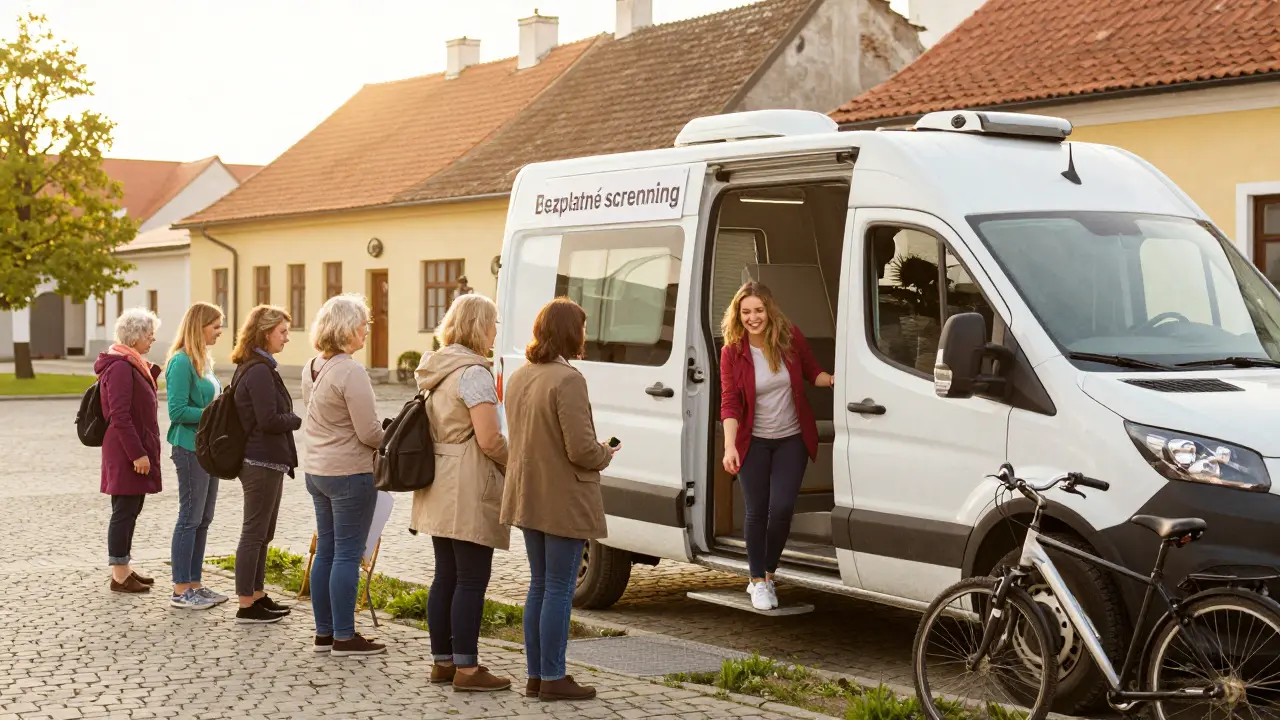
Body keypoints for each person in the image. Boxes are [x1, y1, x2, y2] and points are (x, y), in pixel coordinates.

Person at [502, 298, 619, 702]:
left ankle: (536, 675)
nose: (585, 335)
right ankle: (552, 677)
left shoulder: (520, 375)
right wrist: (606, 452)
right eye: (582, 328)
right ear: (571, 332)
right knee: (557, 589)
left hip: (527, 493)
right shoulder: (569, 379)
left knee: (539, 586)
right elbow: (582, 450)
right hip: (563, 498)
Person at [412, 294, 511, 692]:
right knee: (471, 579)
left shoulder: (437, 367)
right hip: (469, 481)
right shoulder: (474, 373)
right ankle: (468, 669)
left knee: (446, 577)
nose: (495, 332)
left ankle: (443, 662)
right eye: (492, 323)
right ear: (477, 326)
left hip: (438, 478)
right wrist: (517, 462)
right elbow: (489, 438)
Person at [719, 281, 834, 611]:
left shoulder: (789, 337)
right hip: (752, 442)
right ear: (737, 315)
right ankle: (758, 581)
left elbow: (812, 372)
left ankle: (767, 572)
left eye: (758, 310)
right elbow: (730, 403)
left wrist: (833, 379)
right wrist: (730, 446)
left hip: (791, 439)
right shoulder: (732, 352)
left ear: (769, 310)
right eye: (746, 312)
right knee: (756, 512)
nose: (753, 318)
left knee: (782, 509)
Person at [300, 294, 386, 656]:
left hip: (317, 469)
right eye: (363, 324)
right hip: (349, 472)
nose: (367, 331)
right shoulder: (351, 370)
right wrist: (391, 438)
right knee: (348, 555)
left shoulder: (311, 366)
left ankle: (324, 633)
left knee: (327, 552)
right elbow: (368, 432)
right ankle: (345, 636)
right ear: (348, 329)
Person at [230, 305, 301, 624]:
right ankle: (246, 603)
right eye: (282, 332)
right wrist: (297, 419)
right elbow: (269, 420)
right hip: (259, 460)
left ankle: (257, 594)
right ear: (265, 333)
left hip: (268, 460)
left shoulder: (260, 366)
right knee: (254, 532)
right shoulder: (258, 370)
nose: (287, 338)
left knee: (264, 532)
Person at [95, 308, 164, 594]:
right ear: (135, 337)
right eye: (149, 335)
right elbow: (120, 416)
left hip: (130, 447)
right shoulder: (122, 367)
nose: (152, 340)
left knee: (131, 508)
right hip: (126, 451)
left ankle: (124, 566)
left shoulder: (132, 363)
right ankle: (119, 574)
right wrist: (138, 453)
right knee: (124, 510)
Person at [166, 302, 227, 610]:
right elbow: (176, 411)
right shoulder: (181, 362)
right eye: (215, 325)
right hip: (189, 449)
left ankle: (195, 583)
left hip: (208, 448)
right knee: (189, 517)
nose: (220, 331)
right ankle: (180, 589)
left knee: (204, 518)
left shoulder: (204, 359)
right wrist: (213, 413)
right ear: (199, 326)